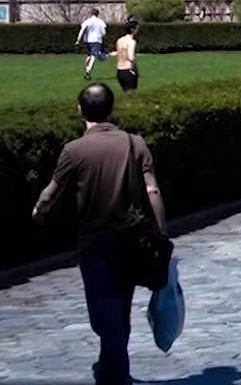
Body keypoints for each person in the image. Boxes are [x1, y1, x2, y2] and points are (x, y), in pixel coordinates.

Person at [32, 83, 169, 385]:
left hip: (96, 242)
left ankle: (115, 372)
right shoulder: (135, 143)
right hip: (132, 239)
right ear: (111, 108)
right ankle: (111, 368)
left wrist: (39, 211)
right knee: (120, 309)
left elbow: (51, 193)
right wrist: (162, 233)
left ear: (80, 109)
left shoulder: (75, 150)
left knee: (103, 311)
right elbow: (152, 189)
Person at [77, 7, 108, 79]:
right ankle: (88, 71)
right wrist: (102, 36)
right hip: (96, 41)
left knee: (89, 55)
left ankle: (86, 68)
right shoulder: (100, 22)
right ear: (98, 14)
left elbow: (82, 30)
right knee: (94, 56)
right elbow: (104, 32)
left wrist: (78, 40)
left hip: (87, 41)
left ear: (91, 13)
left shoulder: (87, 21)